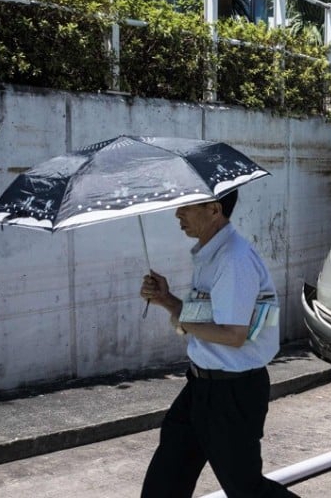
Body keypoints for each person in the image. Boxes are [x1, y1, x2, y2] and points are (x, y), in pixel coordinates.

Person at [139, 190, 297, 498]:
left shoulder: (233, 260)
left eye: (185, 206)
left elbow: (233, 335)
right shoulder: (210, 254)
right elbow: (208, 317)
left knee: (246, 489)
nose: (178, 214)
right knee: (166, 478)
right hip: (201, 387)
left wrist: (180, 319)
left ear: (214, 209)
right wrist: (168, 300)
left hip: (233, 394)